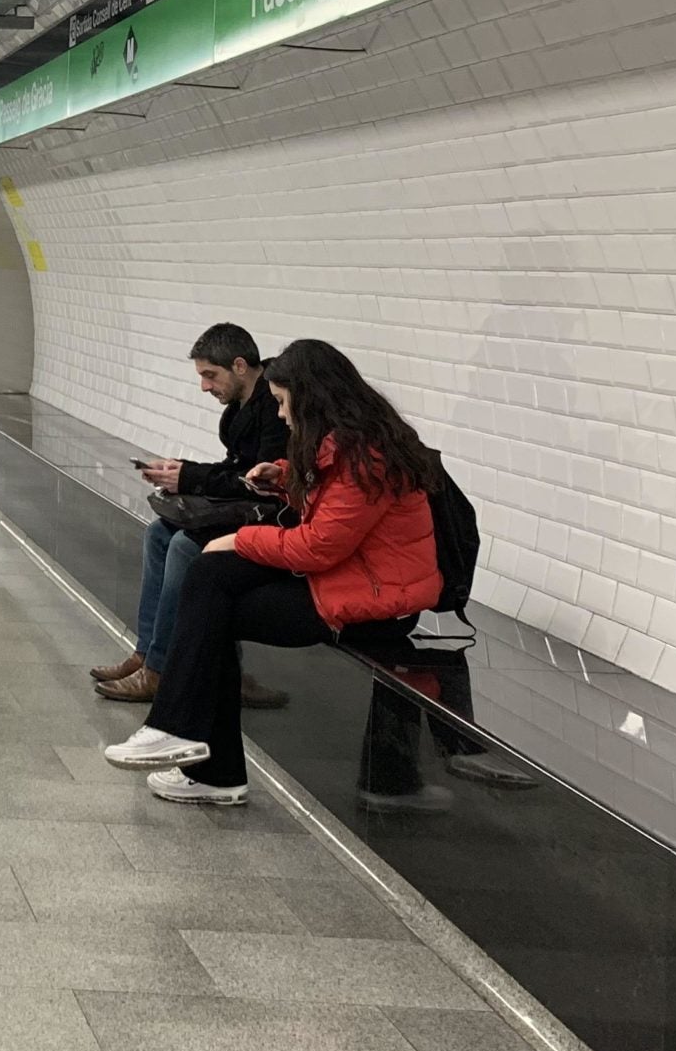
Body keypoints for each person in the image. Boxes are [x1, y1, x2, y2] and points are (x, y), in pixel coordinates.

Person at [104, 339, 445, 805]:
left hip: (377, 600)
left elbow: (318, 547)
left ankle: (198, 752)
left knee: (212, 587)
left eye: (284, 403)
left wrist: (239, 539)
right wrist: (283, 477)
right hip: (347, 579)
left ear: (312, 399)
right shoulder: (347, 444)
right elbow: (329, 507)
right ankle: (189, 745)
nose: (281, 416)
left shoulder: (369, 457)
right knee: (210, 583)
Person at [91, 323, 290, 707]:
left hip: (273, 517)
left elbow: (259, 479)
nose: (205, 386)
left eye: (210, 376)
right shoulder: (240, 408)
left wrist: (190, 477)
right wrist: (180, 470)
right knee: (158, 534)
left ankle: (161, 670)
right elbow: (237, 469)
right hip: (250, 509)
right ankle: (147, 652)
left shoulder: (274, 406)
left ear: (240, 365)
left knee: (184, 545)